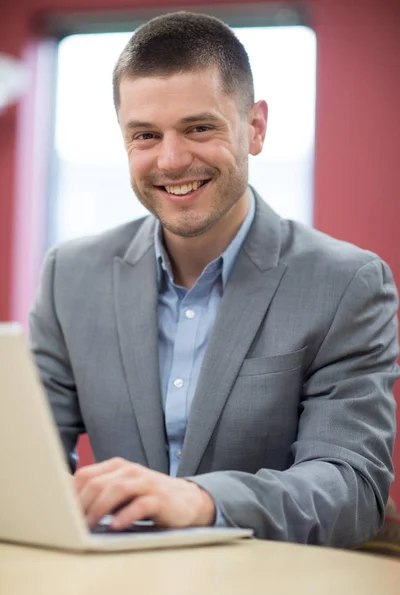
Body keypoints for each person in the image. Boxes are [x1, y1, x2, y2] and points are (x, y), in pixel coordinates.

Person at [29, 11, 399, 547]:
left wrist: (203, 501)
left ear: (255, 128)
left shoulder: (348, 284)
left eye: (199, 128)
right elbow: (25, 460)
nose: (172, 160)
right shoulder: (70, 277)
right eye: (145, 135)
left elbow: (351, 488)